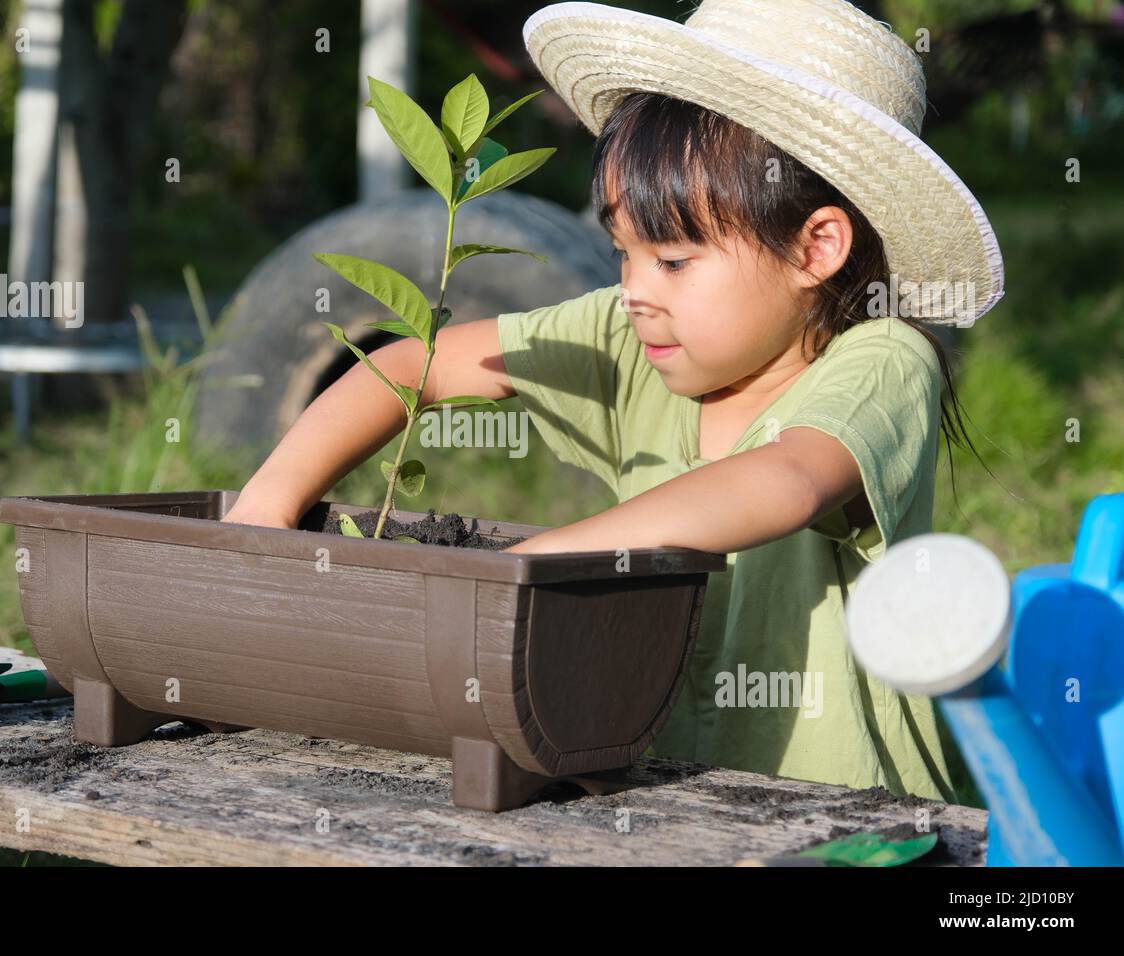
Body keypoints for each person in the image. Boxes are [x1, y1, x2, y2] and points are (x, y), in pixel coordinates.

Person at [223, 0, 1006, 803]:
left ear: (816, 247)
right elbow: (414, 365)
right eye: (621, 253)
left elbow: (784, 482)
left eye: (671, 259)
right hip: (649, 792)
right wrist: (268, 508)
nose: (632, 292)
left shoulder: (883, 358)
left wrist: (527, 565)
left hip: (840, 816)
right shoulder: (631, 336)